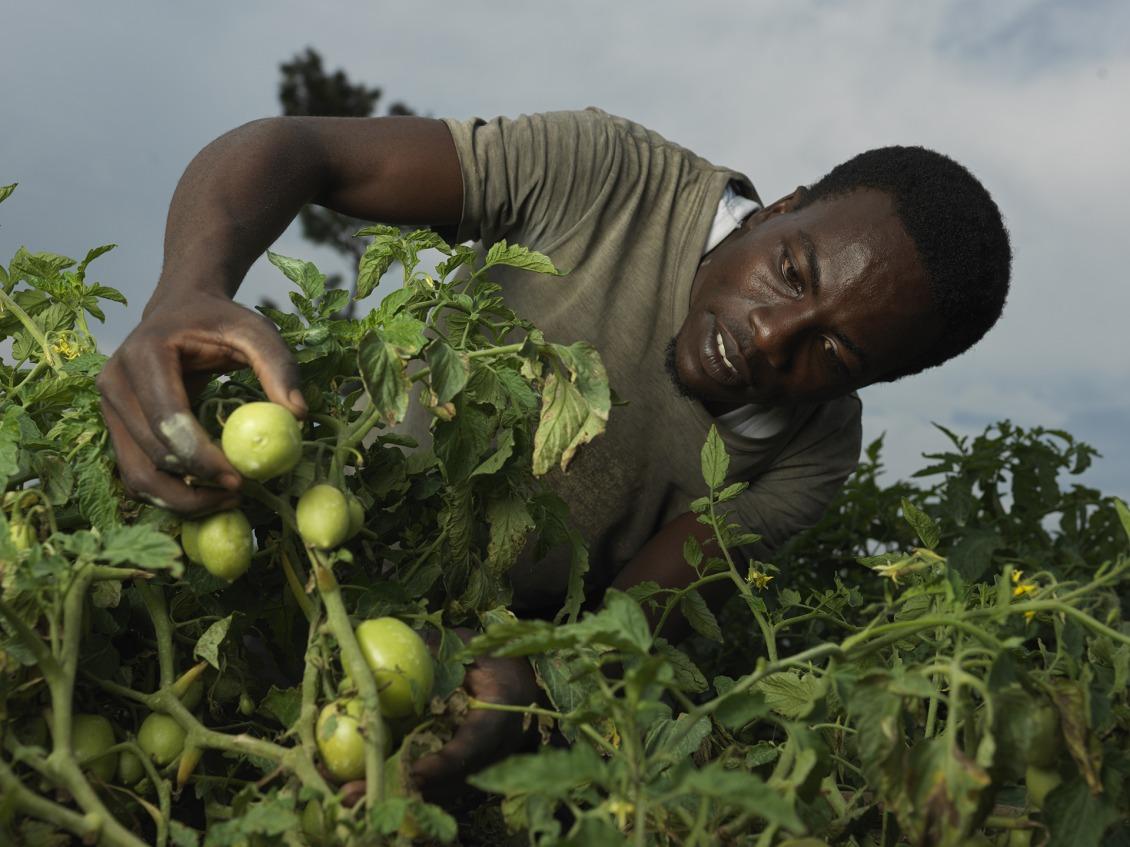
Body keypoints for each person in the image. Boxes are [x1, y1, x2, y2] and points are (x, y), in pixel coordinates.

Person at [95, 108, 1011, 798]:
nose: (772, 338)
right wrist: (186, 291)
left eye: (835, 354)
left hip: (424, 663)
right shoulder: (612, 178)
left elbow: (632, 620)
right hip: (266, 530)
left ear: (871, 386)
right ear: (781, 207)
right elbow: (300, 150)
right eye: (793, 272)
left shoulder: (807, 456)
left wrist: (516, 693)